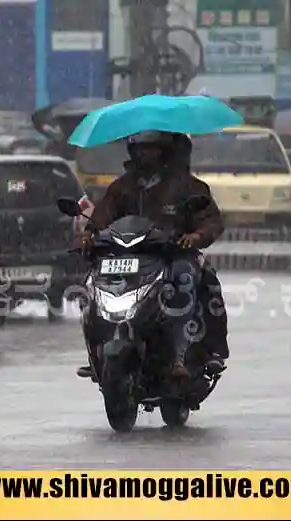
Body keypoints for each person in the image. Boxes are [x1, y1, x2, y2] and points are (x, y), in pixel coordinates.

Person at [73, 130, 228, 379]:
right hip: (129, 256)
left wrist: (195, 237)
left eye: (152, 148)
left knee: (186, 279)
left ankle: (182, 355)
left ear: (165, 151)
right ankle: (96, 352)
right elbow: (102, 216)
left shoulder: (189, 186)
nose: (146, 154)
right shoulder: (122, 187)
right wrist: (88, 234)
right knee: (92, 284)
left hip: (173, 255)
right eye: (141, 148)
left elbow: (210, 221)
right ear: (132, 151)